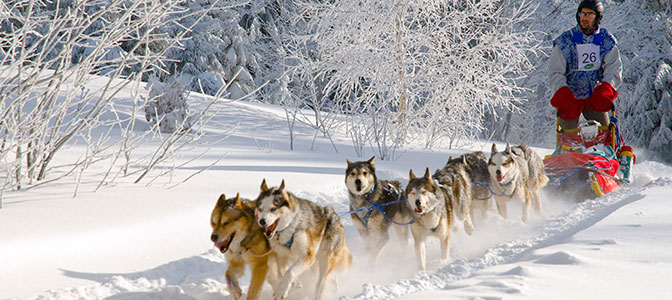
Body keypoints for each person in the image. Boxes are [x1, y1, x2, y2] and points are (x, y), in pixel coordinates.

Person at [548, 0, 622, 131]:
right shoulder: (564, 41)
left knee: (605, 134)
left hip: (594, 97)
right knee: (568, 139)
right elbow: (555, 71)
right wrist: (562, 92)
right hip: (570, 99)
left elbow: (613, 68)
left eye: (589, 14)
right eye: (582, 13)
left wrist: (606, 88)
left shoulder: (606, 41)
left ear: (597, 17)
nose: (584, 18)